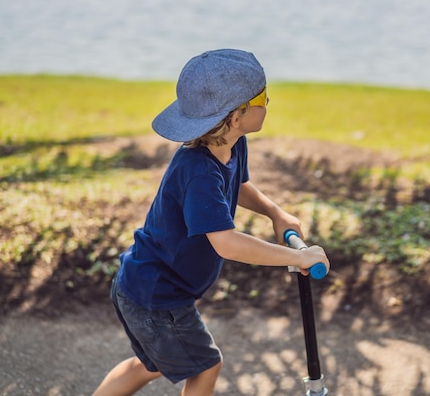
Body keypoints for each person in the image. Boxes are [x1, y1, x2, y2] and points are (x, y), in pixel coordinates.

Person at [92, 48, 330, 396]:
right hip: (159, 295)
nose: (269, 101)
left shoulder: (232, 145)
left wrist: (275, 213)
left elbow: (238, 187)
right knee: (206, 367)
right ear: (236, 116)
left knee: (150, 365)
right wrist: (298, 257)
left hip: (143, 283)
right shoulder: (198, 170)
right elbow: (227, 242)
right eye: (263, 96)